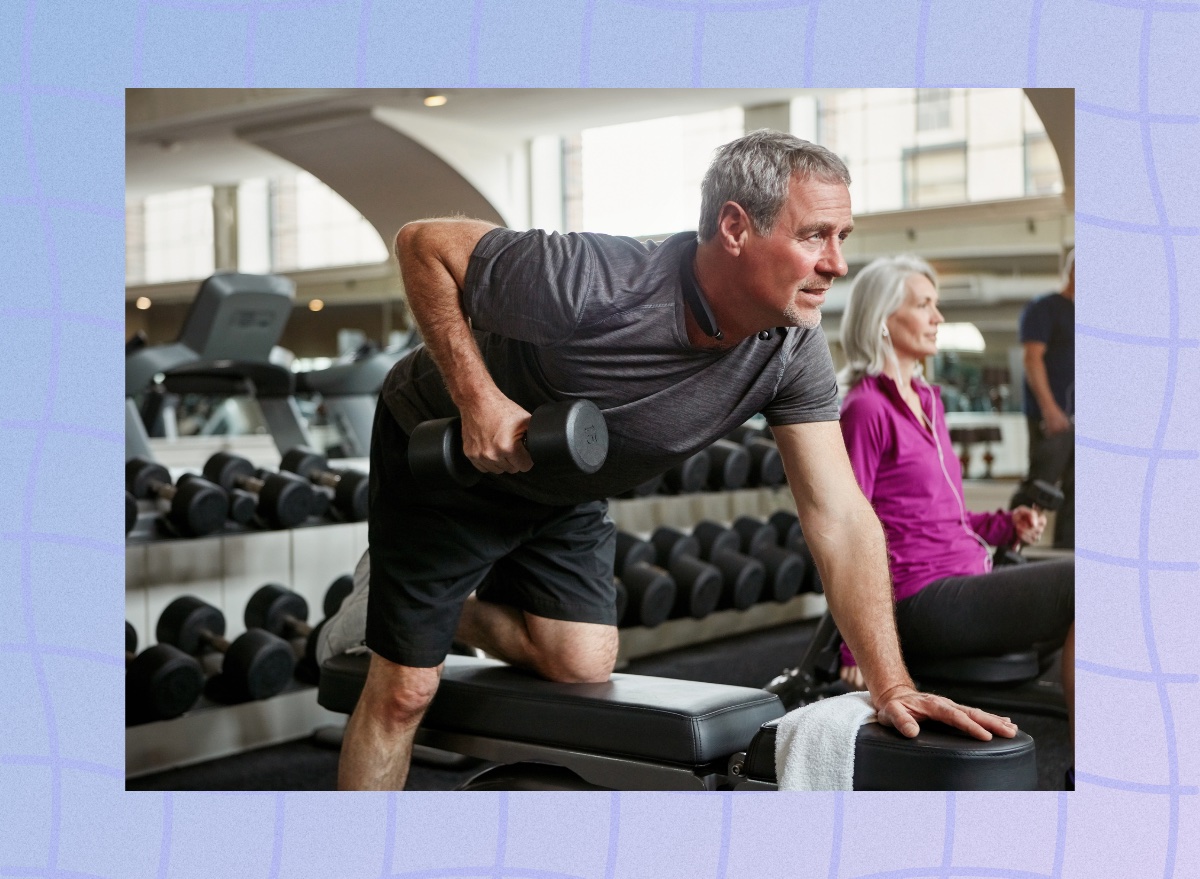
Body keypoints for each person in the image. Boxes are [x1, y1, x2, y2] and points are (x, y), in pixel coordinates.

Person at [337, 131, 1017, 791]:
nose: (836, 263)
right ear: (734, 227)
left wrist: (891, 682)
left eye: (842, 238)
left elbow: (839, 513)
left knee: (580, 659)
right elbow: (423, 244)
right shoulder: (596, 280)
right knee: (405, 689)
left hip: (564, 484)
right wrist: (477, 397)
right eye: (814, 235)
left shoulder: (791, 349)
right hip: (447, 456)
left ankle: (403, 599)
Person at [835, 254, 1075, 786]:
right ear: (881, 319)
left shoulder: (929, 401)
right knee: (1084, 581)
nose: (938, 316)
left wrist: (1004, 526)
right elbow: (844, 529)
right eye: (924, 305)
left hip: (967, 580)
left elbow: (945, 515)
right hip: (921, 601)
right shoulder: (865, 410)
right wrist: (857, 648)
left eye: (936, 304)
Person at [1011, 249, 1074, 548]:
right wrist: (1049, 409)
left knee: (1078, 494)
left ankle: (1068, 565)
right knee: (1040, 486)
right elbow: (1032, 360)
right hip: (1053, 420)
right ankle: (1009, 549)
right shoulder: (1045, 308)